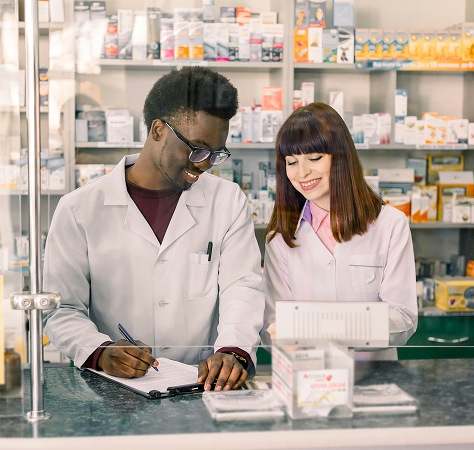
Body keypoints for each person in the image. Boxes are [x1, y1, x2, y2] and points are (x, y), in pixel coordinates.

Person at [43, 67, 265, 390]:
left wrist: (234, 351)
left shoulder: (228, 203)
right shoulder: (79, 210)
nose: (203, 165)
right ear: (158, 130)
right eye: (196, 149)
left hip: (201, 389)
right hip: (114, 391)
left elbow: (242, 288)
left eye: (215, 155)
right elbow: (62, 308)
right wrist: (100, 352)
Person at [263, 103, 417, 359]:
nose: (302, 172)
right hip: (309, 379)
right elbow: (273, 327)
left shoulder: (390, 224)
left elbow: (403, 320)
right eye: (292, 162)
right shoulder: (281, 237)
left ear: (341, 156)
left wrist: (321, 326)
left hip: (373, 380)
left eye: (314, 158)